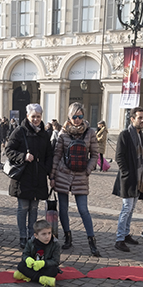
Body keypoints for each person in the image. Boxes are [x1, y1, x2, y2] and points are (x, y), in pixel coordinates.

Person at [51, 101, 101, 255]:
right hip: (63, 174)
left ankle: (92, 240)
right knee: (63, 210)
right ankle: (68, 237)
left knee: (83, 209)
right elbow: (57, 155)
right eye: (74, 116)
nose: (77, 119)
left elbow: (95, 155)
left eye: (80, 116)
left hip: (81, 175)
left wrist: (88, 169)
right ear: (69, 117)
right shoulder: (63, 132)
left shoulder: (90, 132)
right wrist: (53, 176)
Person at [5, 103, 53, 248]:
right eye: (33, 116)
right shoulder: (19, 131)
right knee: (23, 208)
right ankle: (22, 236)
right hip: (23, 177)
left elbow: (48, 155)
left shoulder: (44, 134)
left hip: (38, 177)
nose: (36, 119)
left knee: (34, 209)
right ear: (27, 116)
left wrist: (47, 170)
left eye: (38, 116)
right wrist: (23, 156)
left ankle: (33, 236)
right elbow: (9, 150)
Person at [113, 107, 143, 251]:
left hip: (139, 177)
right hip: (128, 178)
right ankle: (119, 239)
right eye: (139, 118)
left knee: (132, 207)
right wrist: (126, 173)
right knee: (126, 208)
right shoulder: (125, 135)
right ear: (132, 119)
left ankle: (126, 234)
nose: (142, 121)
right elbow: (119, 156)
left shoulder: (140, 135)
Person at [14, 219, 60, 287]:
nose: (47, 236)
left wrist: (44, 263)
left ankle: (28, 275)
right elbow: (25, 254)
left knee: (54, 270)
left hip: (45, 267)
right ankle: (41, 279)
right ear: (36, 235)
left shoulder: (55, 244)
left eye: (49, 233)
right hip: (33, 266)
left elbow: (56, 261)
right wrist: (28, 259)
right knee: (21, 265)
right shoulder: (31, 242)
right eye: (44, 234)